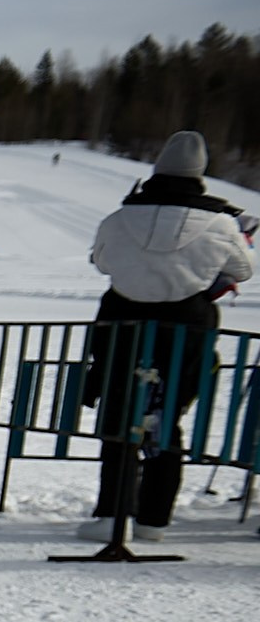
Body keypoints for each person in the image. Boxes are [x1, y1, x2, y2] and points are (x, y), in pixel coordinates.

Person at [77, 131, 256, 541]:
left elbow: (101, 262)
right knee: (166, 416)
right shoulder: (220, 223)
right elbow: (243, 269)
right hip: (186, 328)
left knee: (120, 412)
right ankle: (154, 519)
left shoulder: (120, 217)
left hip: (122, 324)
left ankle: (111, 512)